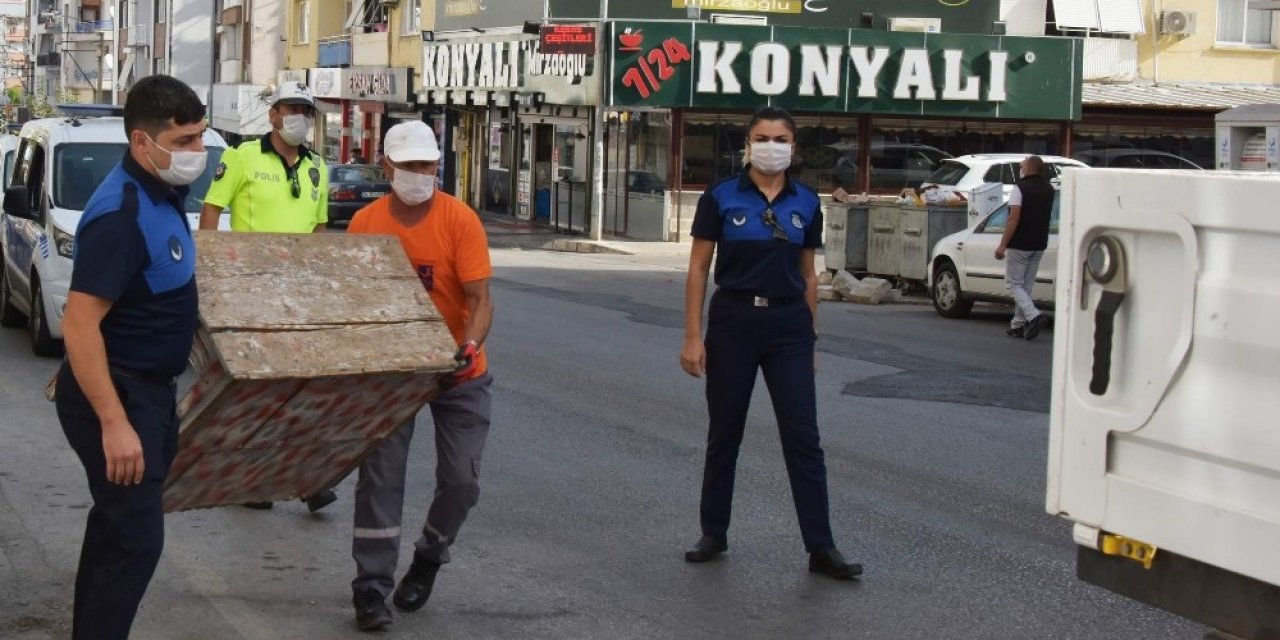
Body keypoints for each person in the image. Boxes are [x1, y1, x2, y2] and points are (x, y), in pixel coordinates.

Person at [679, 107, 861, 580]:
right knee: (726, 433)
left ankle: (821, 547)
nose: (771, 145)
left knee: (804, 440)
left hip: (788, 328)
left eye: (781, 138)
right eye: (762, 137)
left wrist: (812, 337)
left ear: (793, 147)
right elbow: (699, 267)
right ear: (747, 143)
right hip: (734, 321)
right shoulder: (720, 196)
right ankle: (713, 532)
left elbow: (808, 276)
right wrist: (693, 336)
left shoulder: (806, 202)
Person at [55, 74, 206, 639]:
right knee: (136, 540)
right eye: (185, 140)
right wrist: (115, 423)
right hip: (117, 396)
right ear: (143, 143)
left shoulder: (163, 192)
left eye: (200, 136)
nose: (197, 151)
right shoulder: (119, 213)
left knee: (116, 531)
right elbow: (78, 325)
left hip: (151, 393)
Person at [345, 120, 495, 631]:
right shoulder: (365, 223)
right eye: (409, 166)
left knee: (462, 480)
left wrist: (468, 346)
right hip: (393, 370)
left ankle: (430, 555)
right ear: (387, 167)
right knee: (380, 481)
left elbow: (480, 302)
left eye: (427, 165)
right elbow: (355, 301)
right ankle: (370, 590)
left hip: (458, 369)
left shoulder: (460, 221)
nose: (419, 174)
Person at [199, 80, 337, 512]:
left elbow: (319, 228)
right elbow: (211, 210)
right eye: (291, 108)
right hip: (251, 288)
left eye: (306, 111)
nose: (299, 117)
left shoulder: (318, 167)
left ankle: (307, 479)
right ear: (274, 113)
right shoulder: (241, 157)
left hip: (299, 294)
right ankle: (253, 478)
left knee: (303, 387)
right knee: (260, 388)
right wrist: (212, 269)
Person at [995, 155, 1054, 341]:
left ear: (1029, 168)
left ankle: (1033, 315)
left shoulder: (1020, 188)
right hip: (1039, 242)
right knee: (1026, 286)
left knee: (1013, 284)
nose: (1020, 169)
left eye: (1022, 166)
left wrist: (1003, 244)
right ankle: (1018, 325)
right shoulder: (1049, 188)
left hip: (1020, 242)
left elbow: (1014, 218)